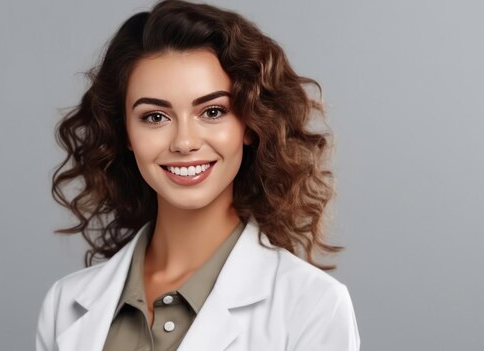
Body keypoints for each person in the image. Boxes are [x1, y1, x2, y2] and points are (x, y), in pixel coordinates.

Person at [36, 0, 360, 350]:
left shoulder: (312, 306)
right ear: (125, 133)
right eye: (155, 117)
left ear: (250, 125)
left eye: (213, 111)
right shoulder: (65, 305)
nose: (184, 142)